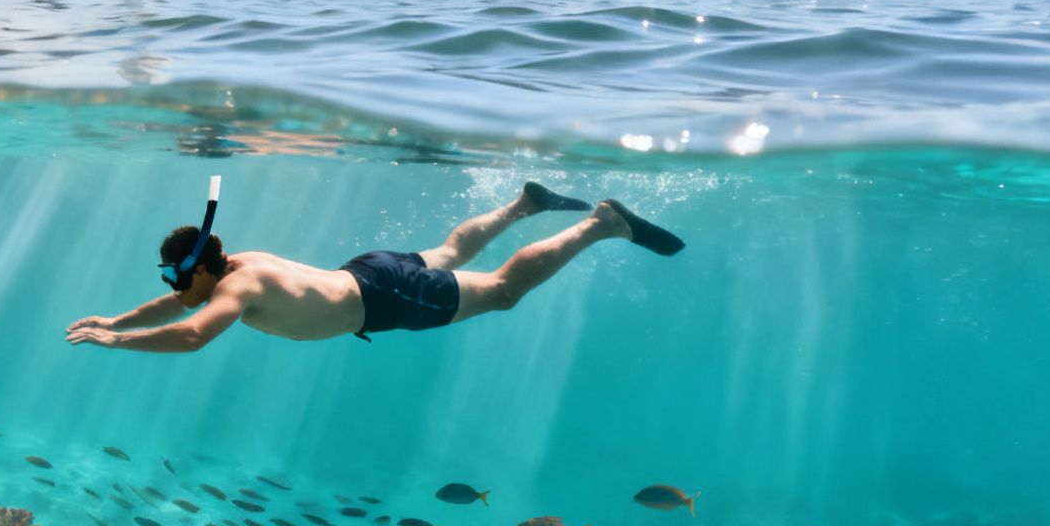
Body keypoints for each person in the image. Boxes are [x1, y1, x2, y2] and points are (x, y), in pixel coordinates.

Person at [65, 181, 681, 353]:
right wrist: (118, 315)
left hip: (384, 300)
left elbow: (194, 334)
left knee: (499, 291)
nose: (175, 289)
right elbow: (182, 306)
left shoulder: (241, 286)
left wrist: (121, 341)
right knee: (447, 253)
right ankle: (525, 203)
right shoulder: (235, 262)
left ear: (200, 269)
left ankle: (602, 223)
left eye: (176, 277)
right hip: (366, 272)